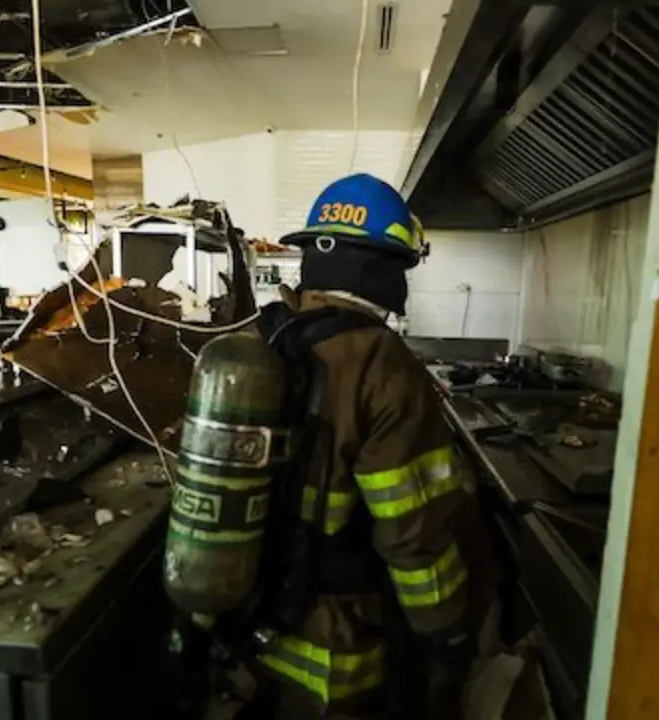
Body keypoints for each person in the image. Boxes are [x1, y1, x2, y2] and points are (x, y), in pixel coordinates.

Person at [245, 173, 500, 720]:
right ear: (385, 268)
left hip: (260, 625)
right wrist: (447, 632)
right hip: (339, 645)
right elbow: (414, 532)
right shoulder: (383, 367)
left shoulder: (261, 342)